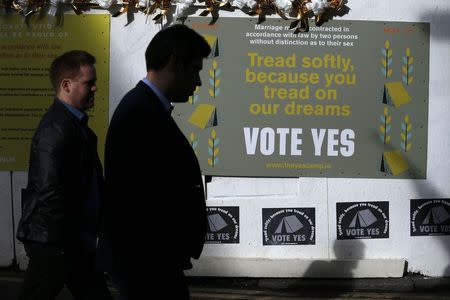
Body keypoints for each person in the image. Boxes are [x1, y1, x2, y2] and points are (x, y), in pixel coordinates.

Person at [99, 24, 211, 299]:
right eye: (195, 69)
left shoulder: (146, 108)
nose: (198, 81)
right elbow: (139, 199)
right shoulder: (139, 113)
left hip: (152, 261)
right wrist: (169, 249)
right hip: (147, 265)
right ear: (175, 61)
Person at [16, 50, 112, 300]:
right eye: (89, 83)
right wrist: (62, 245)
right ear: (66, 85)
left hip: (72, 242)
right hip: (57, 243)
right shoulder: (57, 128)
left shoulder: (74, 125)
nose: (94, 89)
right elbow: (50, 191)